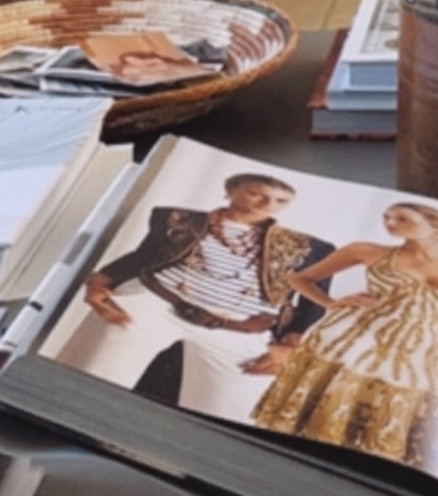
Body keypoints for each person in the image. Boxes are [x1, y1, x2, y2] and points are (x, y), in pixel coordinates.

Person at [59, 173, 332, 422]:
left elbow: (314, 303)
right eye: (256, 193)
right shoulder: (178, 219)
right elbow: (142, 257)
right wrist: (99, 281)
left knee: (232, 420)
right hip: (156, 304)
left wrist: (292, 347)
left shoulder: (310, 248)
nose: (267, 203)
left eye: (280, 200)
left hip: (240, 329)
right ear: (231, 190)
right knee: (93, 383)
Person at [249, 201, 438, 476]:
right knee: (323, 434)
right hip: (352, 349)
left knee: (390, 448)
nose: (390, 224)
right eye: (386, 218)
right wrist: (330, 302)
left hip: (420, 367)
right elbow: (299, 279)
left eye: (402, 218)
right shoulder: (367, 251)